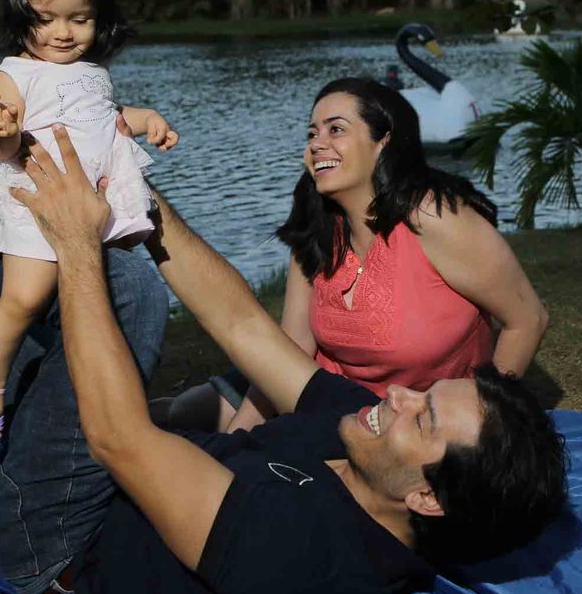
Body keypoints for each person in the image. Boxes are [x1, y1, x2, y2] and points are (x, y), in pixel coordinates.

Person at [0, 115, 567, 594]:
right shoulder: (373, 444)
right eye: (426, 391)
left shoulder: (307, 561)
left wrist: (80, 240)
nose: (401, 394)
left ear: (427, 499)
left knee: (123, 291)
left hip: (61, 540)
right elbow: (245, 327)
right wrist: (134, 197)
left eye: (424, 417)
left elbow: (120, 439)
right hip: (125, 479)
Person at [169, 79, 549, 433]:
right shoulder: (316, 228)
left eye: (336, 129)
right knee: (184, 412)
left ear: (382, 141)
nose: (317, 143)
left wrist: (486, 421)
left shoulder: (433, 219)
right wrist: (242, 437)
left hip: (409, 415)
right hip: (328, 393)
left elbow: (528, 319)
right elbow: (293, 348)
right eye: (312, 133)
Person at [0, 0, 178, 453]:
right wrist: (4, 134)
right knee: (24, 297)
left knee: (112, 285)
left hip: (92, 205)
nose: (63, 32)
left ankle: (91, 389)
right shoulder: (15, 73)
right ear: (20, 15)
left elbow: (102, 117)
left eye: (79, 18)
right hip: (39, 206)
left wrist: (145, 117)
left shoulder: (91, 71)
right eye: (46, 19)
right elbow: (1, 146)